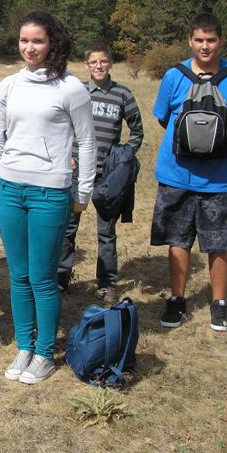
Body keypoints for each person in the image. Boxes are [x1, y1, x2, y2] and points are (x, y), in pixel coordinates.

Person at [0, 10, 96, 385]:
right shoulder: (9, 85)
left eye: (38, 41)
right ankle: (24, 347)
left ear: (53, 44)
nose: (29, 48)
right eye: (24, 40)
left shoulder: (71, 88)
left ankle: (45, 353)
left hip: (50, 193)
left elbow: (87, 143)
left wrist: (83, 191)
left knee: (43, 277)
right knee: (18, 276)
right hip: (9, 190)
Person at [151, 12, 227, 332]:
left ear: (221, 41)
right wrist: (193, 143)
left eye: (211, 40)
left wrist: (218, 142)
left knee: (219, 241)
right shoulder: (174, 75)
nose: (205, 46)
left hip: (221, 178)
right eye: (199, 40)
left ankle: (219, 303)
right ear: (190, 41)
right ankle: (177, 299)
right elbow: (164, 118)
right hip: (177, 175)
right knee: (178, 239)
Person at [57, 42, 144, 303]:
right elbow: (61, 127)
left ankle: (106, 283)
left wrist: (124, 157)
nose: (99, 66)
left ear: (111, 63)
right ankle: (61, 277)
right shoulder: (78, 91)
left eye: (103, 61)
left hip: (107, 175)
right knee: (67, 227)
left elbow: (137, 130)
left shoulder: (122, 94)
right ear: (86, 65)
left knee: (106, 232)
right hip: (76, 171)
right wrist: (67, 155)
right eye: (94, 62)